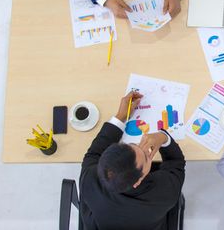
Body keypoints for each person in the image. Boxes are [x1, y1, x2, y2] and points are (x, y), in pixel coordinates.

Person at [79, 91, 185, 230]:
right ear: (138, 181)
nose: (143, 146)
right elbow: (176, 164)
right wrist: (163, 138)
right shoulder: (163, 192)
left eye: (131, 145)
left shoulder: (88, 180)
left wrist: (121, 116)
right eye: (147, 157)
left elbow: (93, 154)